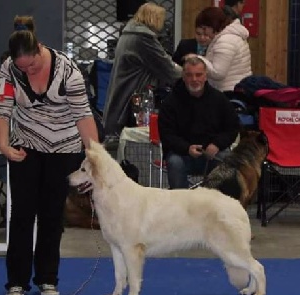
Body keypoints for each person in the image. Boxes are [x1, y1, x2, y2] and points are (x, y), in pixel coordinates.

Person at [0, 16, 98, 295]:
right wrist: (4, 145)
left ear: (40, 49)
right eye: (21, 67)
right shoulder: (9, 69)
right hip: (26, 146)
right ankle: (16, 282)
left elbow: (83, 117)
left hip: (64, 148)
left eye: (32, 65)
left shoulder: (69, 72)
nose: (27, 71)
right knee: (22, 214)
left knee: (52, 215)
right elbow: (1, 109)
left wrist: (95, 159)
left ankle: (48, 279)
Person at [158, 55, 239, 189]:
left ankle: (220, 206)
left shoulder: (220, 99)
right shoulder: (170, 103)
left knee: (227, 160)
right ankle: (181, 206)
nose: (194, 79)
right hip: (182, 154)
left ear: (205, 76)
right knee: (174, 162)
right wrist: (186, 148)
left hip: (213, 154)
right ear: (183, 77)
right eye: (189, 75)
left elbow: (233, 128)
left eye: (198, 75)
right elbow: (166, 135)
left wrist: (217, 144)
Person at [102, 2, 182, 137]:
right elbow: (168, 69)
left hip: (122, 96)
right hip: (135, 100)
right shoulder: (144, 38)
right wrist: (187, 72)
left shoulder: (128, 34)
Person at [196, 6, 252, 92]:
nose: (204, 32)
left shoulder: (225, 41)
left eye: (205, 28)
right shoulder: (232, 36)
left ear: (212, 25)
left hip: (228, 92)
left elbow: (218, 73)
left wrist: (198, 59)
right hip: (238, 89)